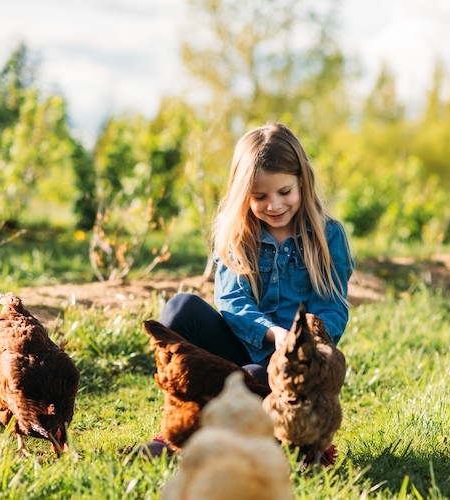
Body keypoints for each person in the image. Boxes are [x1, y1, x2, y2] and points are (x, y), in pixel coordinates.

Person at [141, 121, 354, 457]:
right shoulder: (238, 234)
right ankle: (177, 424)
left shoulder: (327, 236)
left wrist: (300, 341)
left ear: (302, 181)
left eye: (284, 192)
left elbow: (332, 305)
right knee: (180, 310)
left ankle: (232, 435)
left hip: (289, 368)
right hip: (244, 345)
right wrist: (272, 331)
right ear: (244, 195)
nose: (274, 205)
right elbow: (232, 300)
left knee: (250, 377)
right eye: (260, 197)